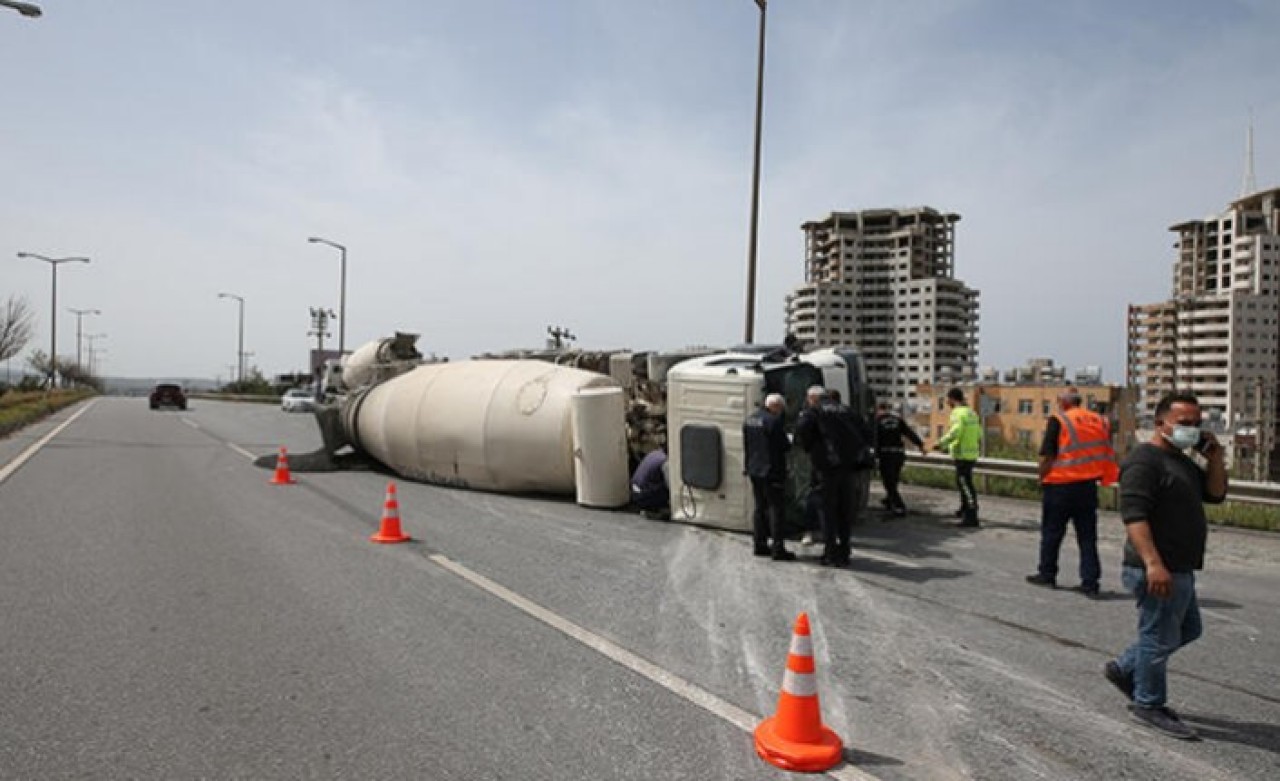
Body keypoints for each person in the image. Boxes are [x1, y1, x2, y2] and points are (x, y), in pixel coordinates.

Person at [1104, 391, 1226, 740]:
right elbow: (1134, 516)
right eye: (1184, 423)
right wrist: (1153, 564)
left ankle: (1125, 668)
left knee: (1188, 630)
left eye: (1197, 423)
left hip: (1181, 566)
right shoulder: (1145, 462)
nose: (1193, 429)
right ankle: (1149, 703)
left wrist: (1215, 458)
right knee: (1157, 638)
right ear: (1160, 423)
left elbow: (1216, 494)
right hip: (1157, 567)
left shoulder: (1184, 460)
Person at [1026, 388, 1119, 596]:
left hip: (1060, 487)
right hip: (1087, 487)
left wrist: (1041, 476)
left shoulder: (1059, 420)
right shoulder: (1099, 420)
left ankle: (1047, 574)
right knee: (1087, 537)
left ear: (1063, 402)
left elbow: (1048, 456)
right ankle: (1090, 582)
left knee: (1052, 533)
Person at [797, 386, 870, 566]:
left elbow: (802, 430)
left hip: (826, 468)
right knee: (845, 510)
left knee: (827, 510)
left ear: (812, 398)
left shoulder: (814, 411)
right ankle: (844, 551)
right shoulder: (847, 410)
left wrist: (811, 449)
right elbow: (866, 432)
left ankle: (830, 553)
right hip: (849, 468)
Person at [742, 393, 794, 560]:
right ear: (776, 406)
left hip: (754, 469)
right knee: (776, 509)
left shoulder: (749, 420)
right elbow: (784, 446)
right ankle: (778, 549)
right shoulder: (773, 421)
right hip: (772, 471)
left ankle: (759, 544)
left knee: (759, 508)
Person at [932, 387, 982, 527]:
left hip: (962, 454)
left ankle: (971, 516)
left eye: (947, 399)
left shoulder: (957, 413)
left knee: (965, 485)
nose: (947, 402)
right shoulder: (972, 413)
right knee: (965, 483)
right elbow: (979, 433)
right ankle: (965, 509)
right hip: (972, 453)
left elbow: (955, 432)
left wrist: (941, 443)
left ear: (952, 399)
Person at [874, 401, 925, 518]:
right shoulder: (898, 420)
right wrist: (920, 445)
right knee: (894, 479)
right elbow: (909, 433)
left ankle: (899, 506)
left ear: (878, 410)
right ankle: (889, 500)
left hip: (886, 454)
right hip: (899, 454)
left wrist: (875, 456)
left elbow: (875, 439)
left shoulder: (877, 422)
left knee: (888, 482)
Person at [630, 447, 670, 520]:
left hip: (634, 493)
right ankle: (655, 511)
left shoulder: (654, 453)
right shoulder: (665, 461)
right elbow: (670, 485)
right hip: (643, 496)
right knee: (669, 486)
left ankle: (650, 508)